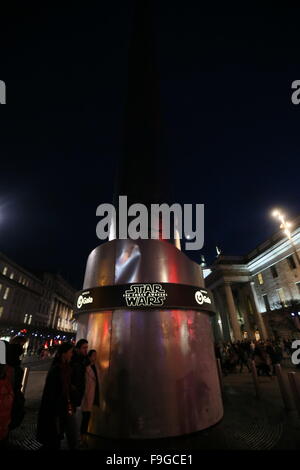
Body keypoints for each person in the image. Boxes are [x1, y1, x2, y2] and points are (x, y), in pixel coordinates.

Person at [36, 342, 75, 449]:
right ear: (64, 354)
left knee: (56, 437)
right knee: (53, 440)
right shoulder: (57, 370)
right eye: (71, 352)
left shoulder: (65, 368)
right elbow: (52, 394)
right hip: (54, 412)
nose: (72, 355)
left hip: (60, 410)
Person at [80, 350, 101, 444]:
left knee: (87, 417)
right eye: (94, 356)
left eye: (96, 355)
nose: (95, 357)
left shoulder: (95, 367)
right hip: (86, 396)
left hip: (92, 394)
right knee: (85, 417)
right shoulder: (86, 368)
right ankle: (82, 438)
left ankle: (83, 437)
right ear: (89, 357)